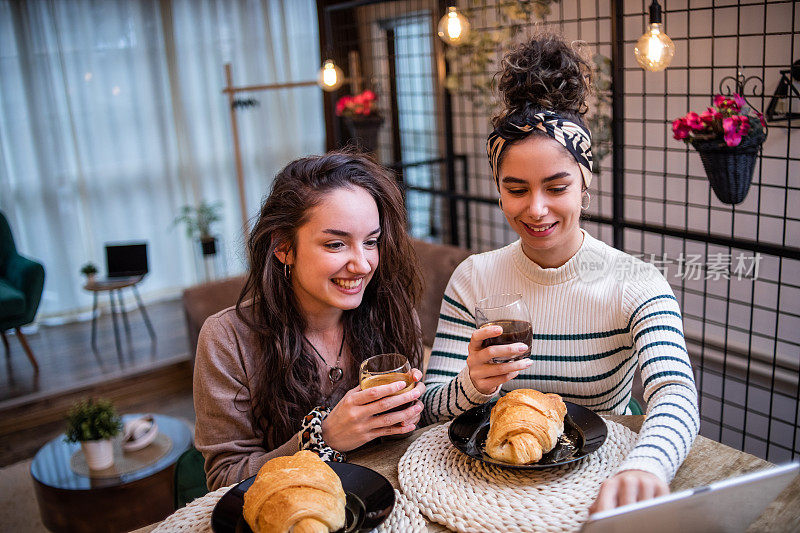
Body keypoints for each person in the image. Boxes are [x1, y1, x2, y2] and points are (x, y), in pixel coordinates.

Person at [421, 34, 699, 512]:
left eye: (556, 186)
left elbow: (674, 392)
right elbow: (430, 406)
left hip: (598, 481)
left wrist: (647, 464)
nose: (536, 209)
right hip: (495, 484)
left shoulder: (634, 282)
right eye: (516, 189)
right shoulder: (473, 278)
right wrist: (474, 382)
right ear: (499, 189)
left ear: (585, 183)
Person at [194, 152, 426, 490]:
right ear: (284, 248)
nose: (362, 265)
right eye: (335, 244)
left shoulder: (394, 314)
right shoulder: (227, 340)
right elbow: (224, 481)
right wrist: (323, 437)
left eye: (371, 242)